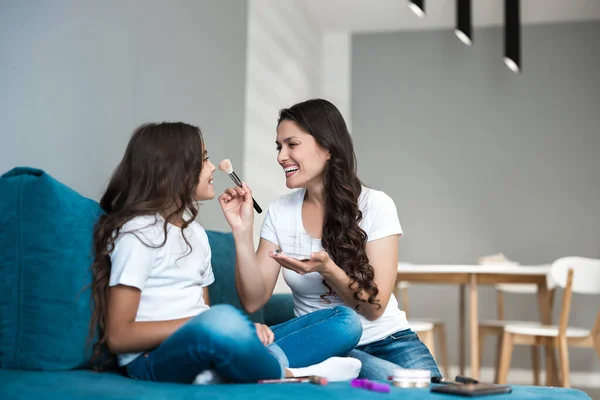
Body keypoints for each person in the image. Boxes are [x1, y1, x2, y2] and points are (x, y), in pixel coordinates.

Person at [88, 122, 363, 384]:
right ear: (175, 170)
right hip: (153, 358)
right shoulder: (137, 234)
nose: (211, 168)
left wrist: (234, 331)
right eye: (204, 159)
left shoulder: (195, 234)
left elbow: (204, 311)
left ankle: (232, 369)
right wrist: (214, 325)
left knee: (344, 321)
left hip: (207, 343)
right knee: (222, 320)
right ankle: (290, 374)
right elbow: (119, 336)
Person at [219, 99, 441, 380]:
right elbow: (253, 300)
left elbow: (375, 308)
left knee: (436, 394)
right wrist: (242, 230)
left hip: (390, 341)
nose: (281, 156)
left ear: (326, 147)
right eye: (279, 147)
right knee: (400, 386)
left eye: (292, 144)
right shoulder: (279, 212)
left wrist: (328, 269)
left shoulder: (376, 205)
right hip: (328, 345)